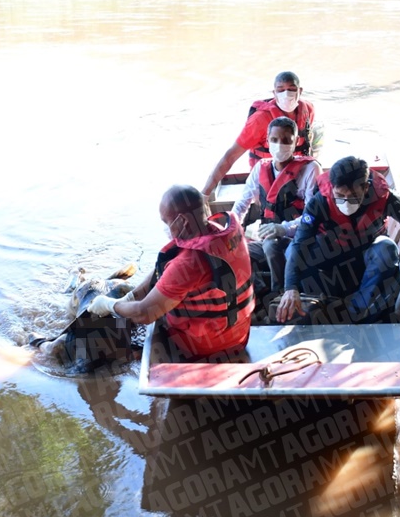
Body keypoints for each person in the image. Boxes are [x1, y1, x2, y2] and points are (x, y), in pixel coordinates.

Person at [88, 185, 254, 359]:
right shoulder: (220, 230)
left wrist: (109, 305)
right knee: (147, 303)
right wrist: (130, 297)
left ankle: (136, 358)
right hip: (238, 335)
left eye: (166, 222)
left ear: (183, 221)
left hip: (207, 347)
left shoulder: (188, 263)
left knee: (143, 323)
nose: (166, 228)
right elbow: (168, 268)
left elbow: (144, 314)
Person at [276, 156, 400, 324]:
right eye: (339, 195)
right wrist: (290, 288)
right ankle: (314, 300)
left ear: (366, 188)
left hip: (364, 256)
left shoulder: (384, 197)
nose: (345, 201)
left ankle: (355, 313)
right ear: (332, 188)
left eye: (352, 196)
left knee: (387, 248)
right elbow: (301, 242)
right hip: (330, 254)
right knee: (293, 250)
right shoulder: (320, 200)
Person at [231, 116, 322, 298]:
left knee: (272, 246)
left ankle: (279, 294)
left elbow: (311, 215)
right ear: (267, 140)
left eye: (286, 140)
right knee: (232, 253)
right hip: (266, 233)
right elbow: (242, 204)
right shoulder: (261, 168)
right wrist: (231, 228)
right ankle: (255, 292)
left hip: (299, 236)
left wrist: (283, 228)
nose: (279, 145)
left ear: (296, 141)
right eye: (274, 140)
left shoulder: (310, 169)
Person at [201, 71, 316, 196]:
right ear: (274, 93)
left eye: (291, 89)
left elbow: (308, 142)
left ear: (300, 91)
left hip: (295, 173)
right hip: (267, 179)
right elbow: (231, 156)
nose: (287, 94)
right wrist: (205, 193)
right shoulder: (259, 120)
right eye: (281, 90)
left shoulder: (308, 110)